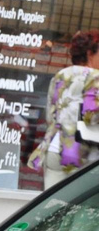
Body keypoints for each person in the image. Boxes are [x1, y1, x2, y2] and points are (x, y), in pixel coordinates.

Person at [33, 29, 99, 188]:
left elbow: (50, 115)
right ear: (90, 53)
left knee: (53, 206)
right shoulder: (96, 78)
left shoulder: (60, 75)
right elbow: (92, 119)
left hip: (55, 149)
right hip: (84, 155)